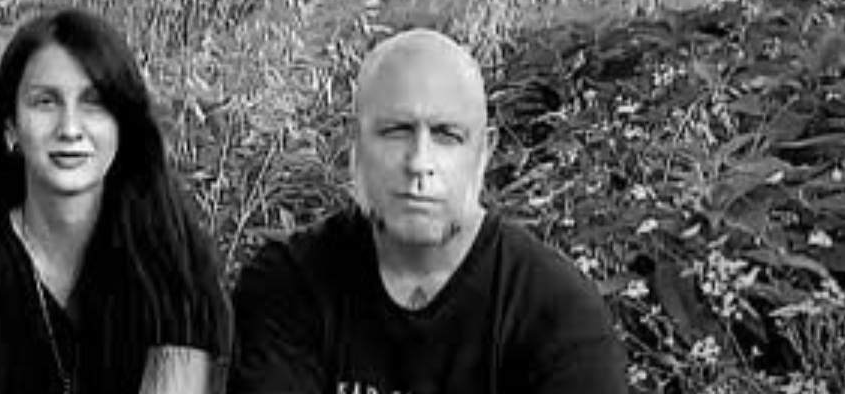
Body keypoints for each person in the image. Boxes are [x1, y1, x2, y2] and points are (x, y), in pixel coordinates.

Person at [228, 28, 627, 394]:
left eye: (447, 135)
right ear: (356, 146)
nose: (419, 162)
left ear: (483, 153)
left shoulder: (555, 312)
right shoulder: (290, 284)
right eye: (396, 131)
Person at [0, 7, 229, 394]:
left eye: (94, 102)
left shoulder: (173, 263)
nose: (70, 128)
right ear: (11, 127)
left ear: (123, 126)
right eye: (45, 102)